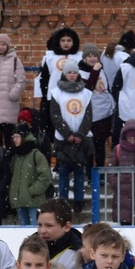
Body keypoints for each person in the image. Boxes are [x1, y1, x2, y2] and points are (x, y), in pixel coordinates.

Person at [49, 59, 94, 210]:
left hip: (81, 139)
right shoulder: (56, 93)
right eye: (69, 72)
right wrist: (67, 133)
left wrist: (80, 134)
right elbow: (55, 115)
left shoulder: (86, 93)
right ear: (64, 74)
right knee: (63, 173)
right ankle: (63, 202)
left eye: (74, 72)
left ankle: (79, 202)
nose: (72, 75)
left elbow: (88, 116)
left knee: (79, 173)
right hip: (64, 139)